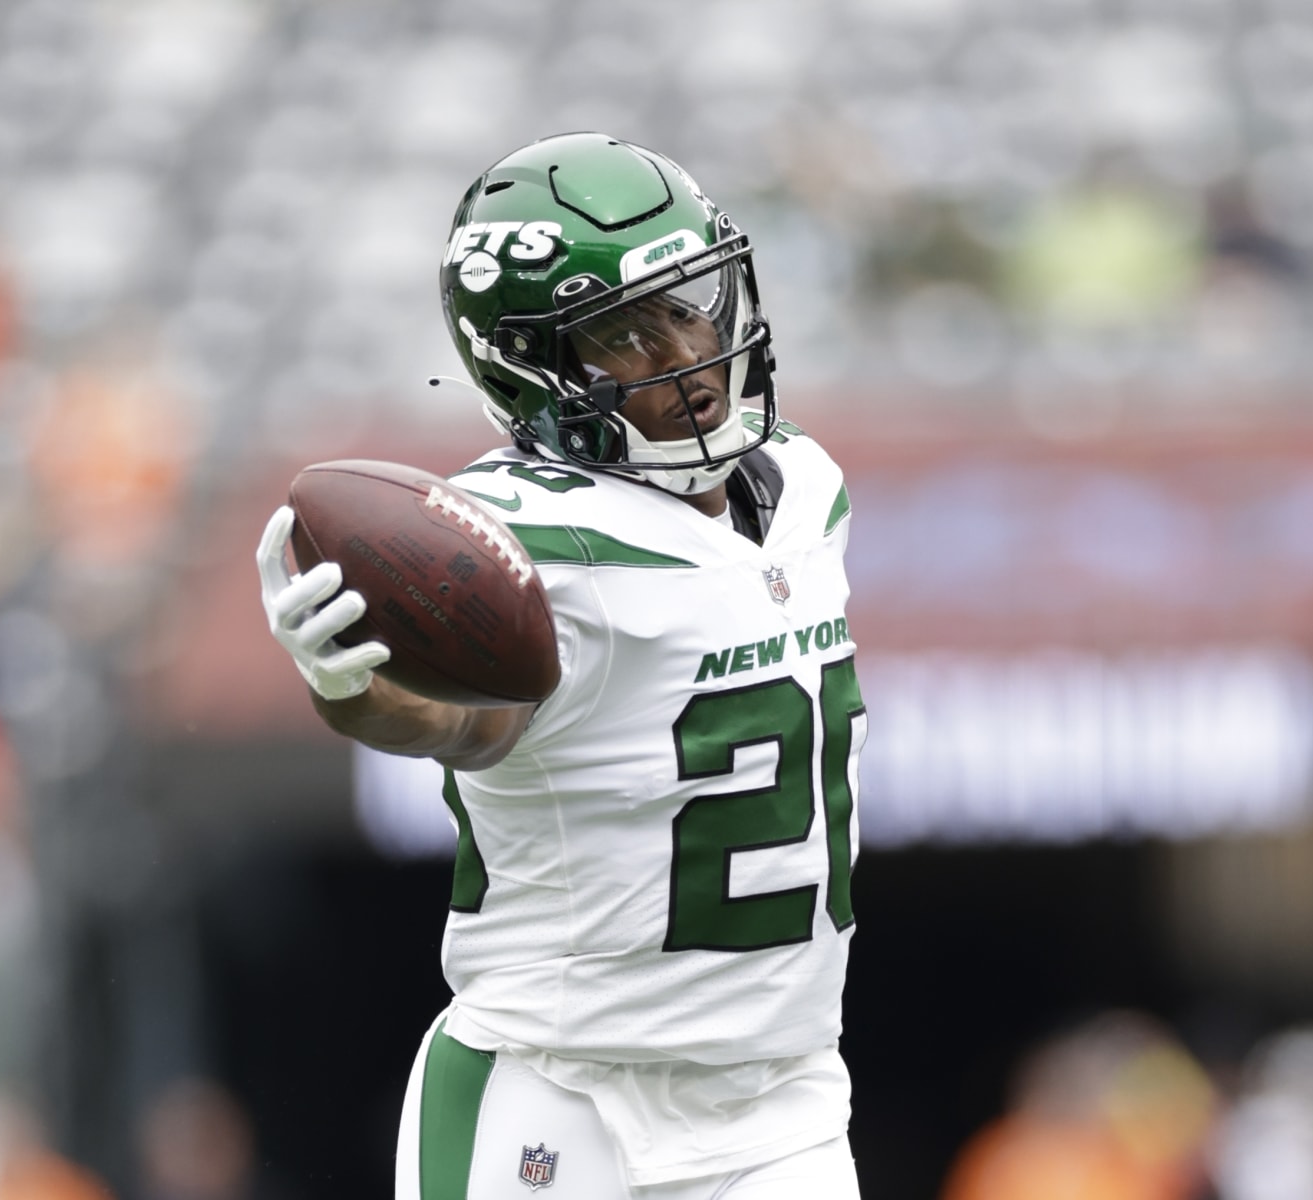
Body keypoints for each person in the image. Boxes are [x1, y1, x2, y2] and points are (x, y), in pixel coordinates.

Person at [256, 133, 866, 1199]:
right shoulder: (522, 543)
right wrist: (351, 685)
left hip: (783, 1101)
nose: (684, 352)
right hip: (564, 1095)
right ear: (532, 366)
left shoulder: (804, 488)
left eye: (690, 303)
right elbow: (460, 725)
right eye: (624, 334)